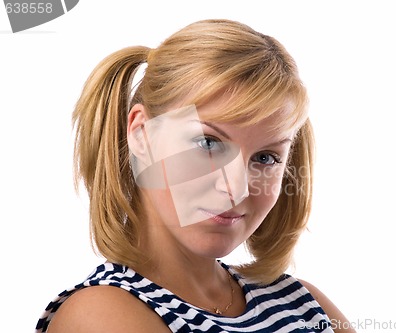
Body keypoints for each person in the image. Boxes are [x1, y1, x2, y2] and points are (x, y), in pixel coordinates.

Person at [36, 19, 356, 333]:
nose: (236, 188)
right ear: (141, 134)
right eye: (208, 143)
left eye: (265, 157)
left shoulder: (303, 302)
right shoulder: (101, 315)